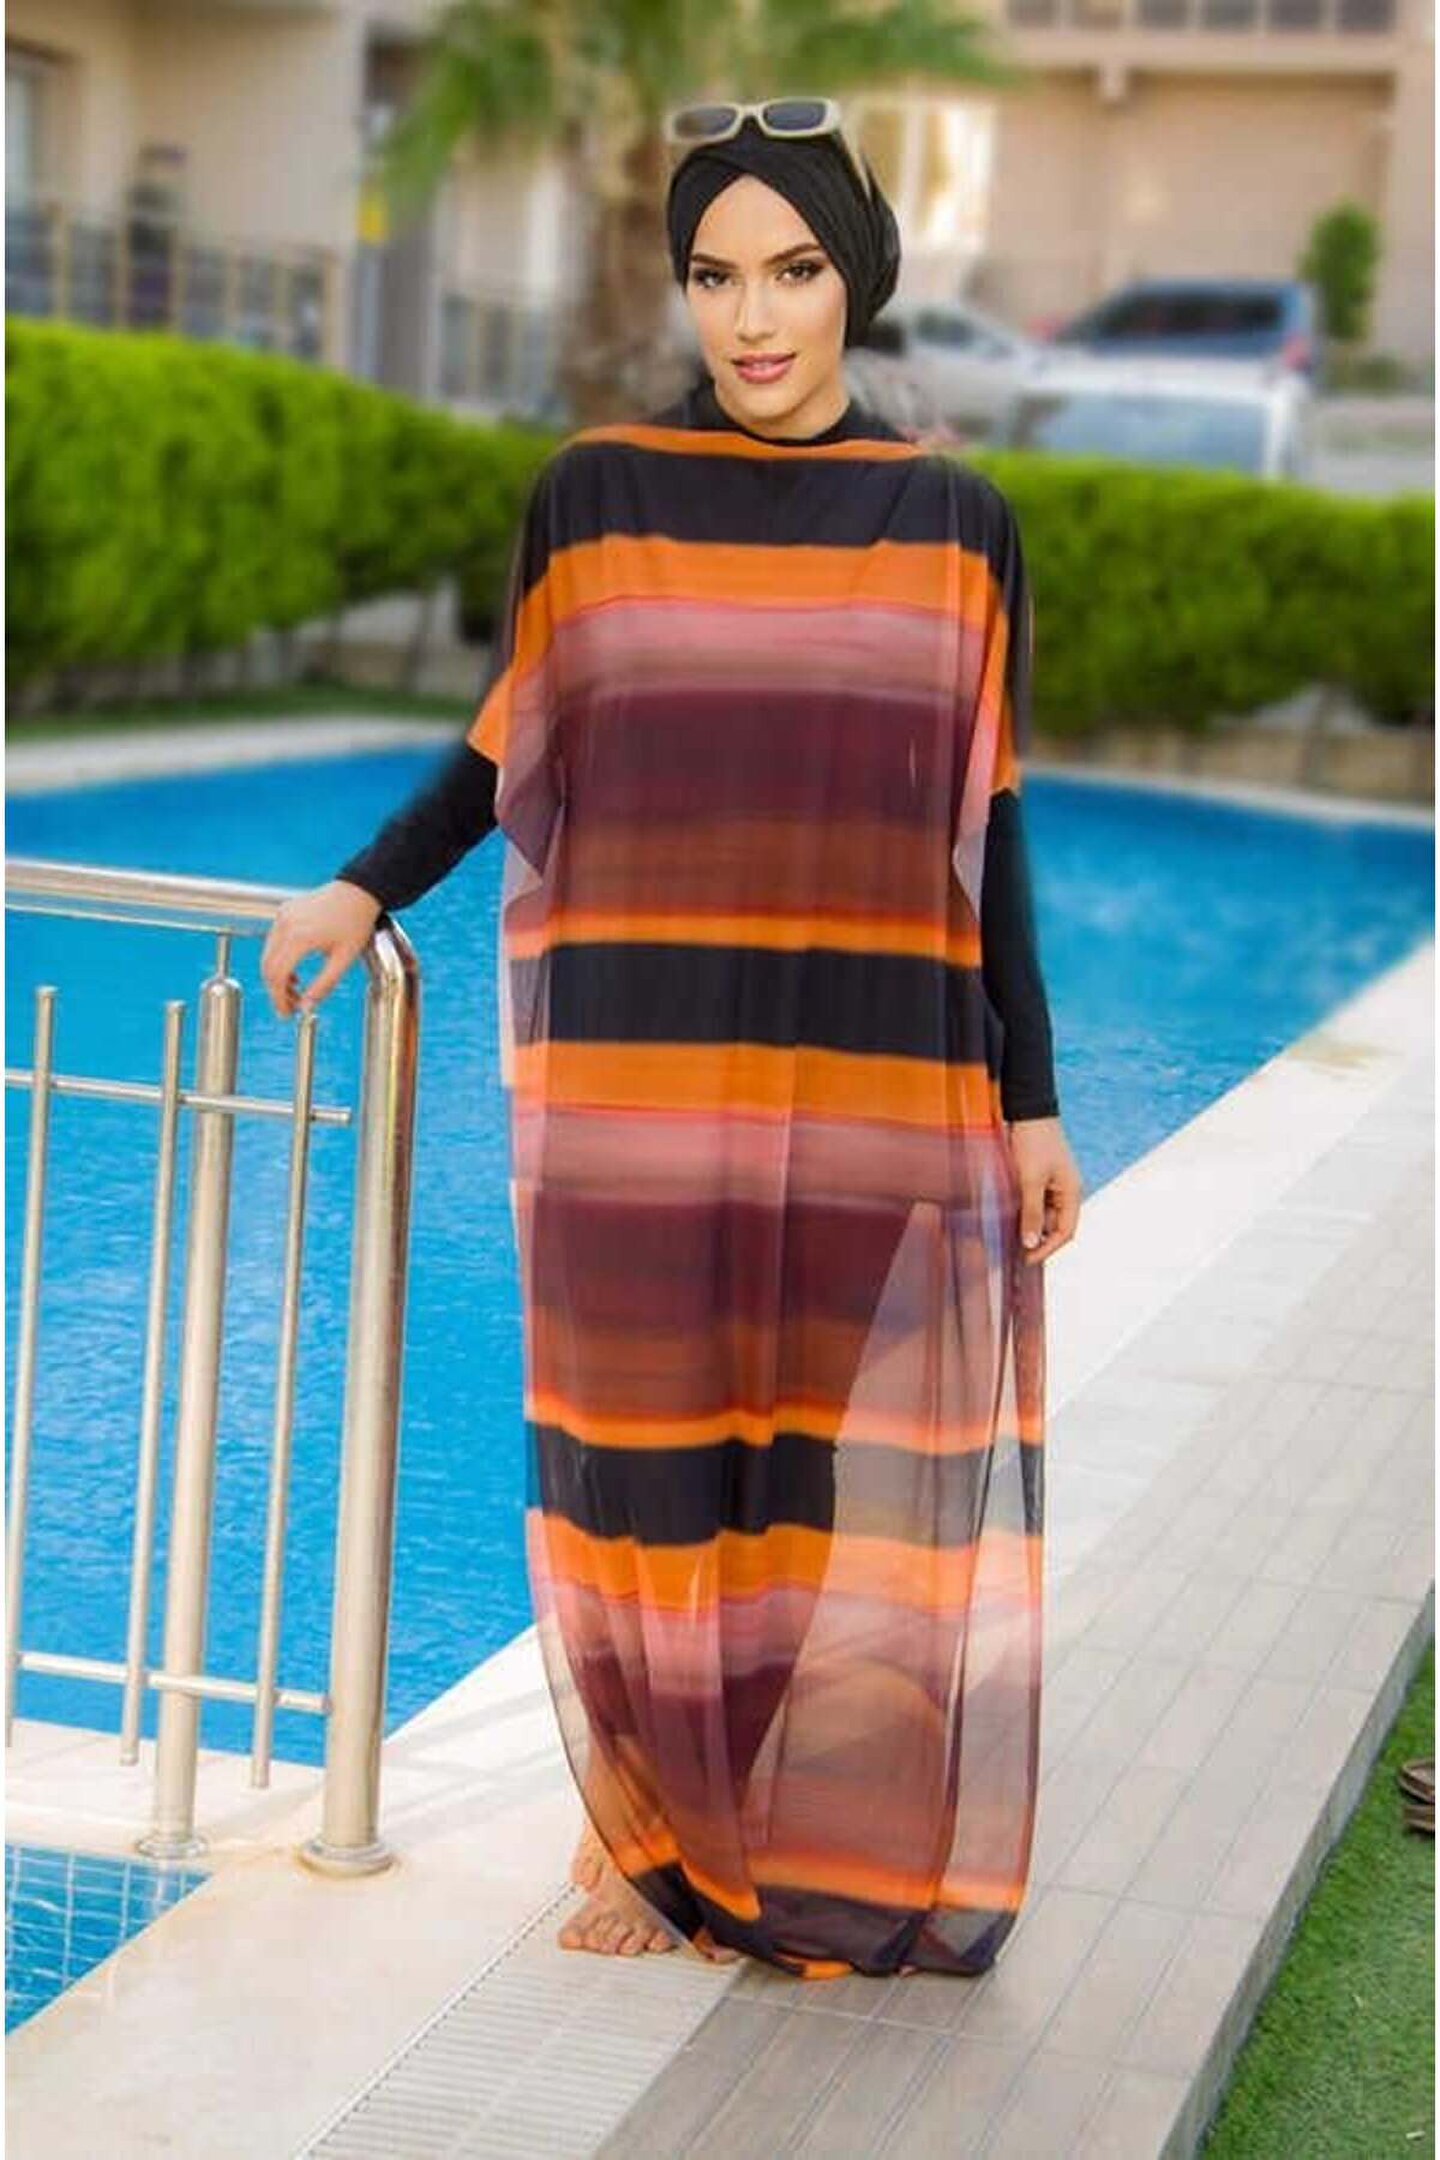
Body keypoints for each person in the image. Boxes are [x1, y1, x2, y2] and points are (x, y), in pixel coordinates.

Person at [260, 100, 1082, 1978]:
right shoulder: (600, 494)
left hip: (870, 1073)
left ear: (857, 278)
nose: (752, 318)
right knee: (640, 1451)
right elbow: (512, 745)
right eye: (714, 276)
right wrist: (363, 887)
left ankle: (738, 1811)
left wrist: (1030, 1098)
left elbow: (991, 829)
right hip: (639, 1077)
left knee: (804, 1465)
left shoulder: (957, 523)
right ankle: (638, 1815)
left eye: (792, 271)